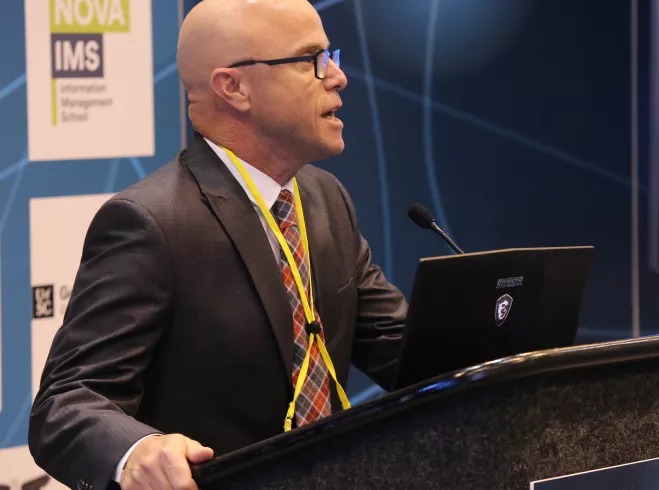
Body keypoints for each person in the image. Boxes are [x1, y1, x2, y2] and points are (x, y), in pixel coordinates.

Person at [27, 0, 408, 488]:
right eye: (312, 60)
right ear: (234, 87)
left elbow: (400, 350)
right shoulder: (151, 222)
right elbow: (66, 402)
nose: (337, 76)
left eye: (331, 55)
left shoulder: (326, 198)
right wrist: (137, 450)